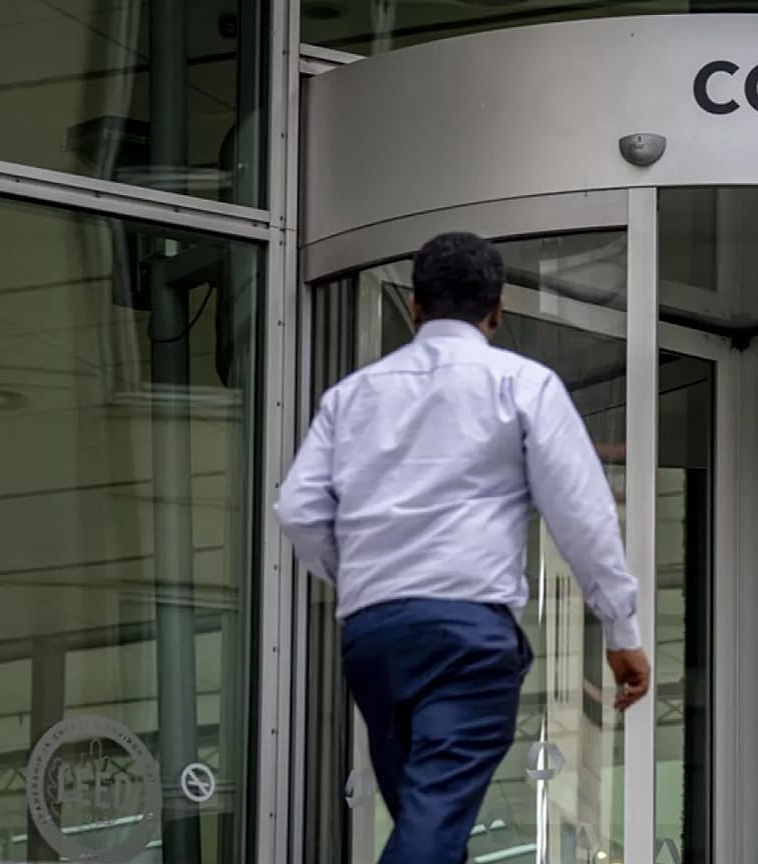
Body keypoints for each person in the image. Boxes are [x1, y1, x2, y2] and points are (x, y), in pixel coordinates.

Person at [275, 232, 649, 864]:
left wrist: (367, 578)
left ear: (416, 308)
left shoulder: (352, 396)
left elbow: (298, 510)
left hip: (374, 637)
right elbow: (583, 516)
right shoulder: (524, 385)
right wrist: (621, 629)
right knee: (433, 826)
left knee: (429, 825)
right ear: (497, 311)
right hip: (466, 637)